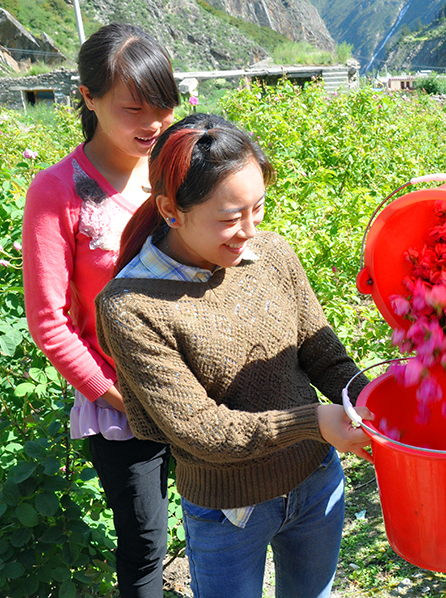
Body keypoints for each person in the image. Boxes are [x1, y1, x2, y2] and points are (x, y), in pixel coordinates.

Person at [94, 113, 374, 598]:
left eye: (257, 208)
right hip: (230, 511)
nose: (247, 231)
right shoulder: (131, 307)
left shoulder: (271, 254)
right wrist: (314, 421)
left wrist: (378, 401)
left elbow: (323, 355)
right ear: (170, 209)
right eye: (227, 218)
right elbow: (201, 431)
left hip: (315, 480)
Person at [22, 24, 179, 598]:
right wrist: (123, 399)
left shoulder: (176, 167)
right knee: (145, 546)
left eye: (163, 107)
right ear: (88, 98)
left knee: (224, 516)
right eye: (134, 108)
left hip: (200, 385)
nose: (153, 124)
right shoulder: (58, 192)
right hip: (123, 405)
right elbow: (49, 323)